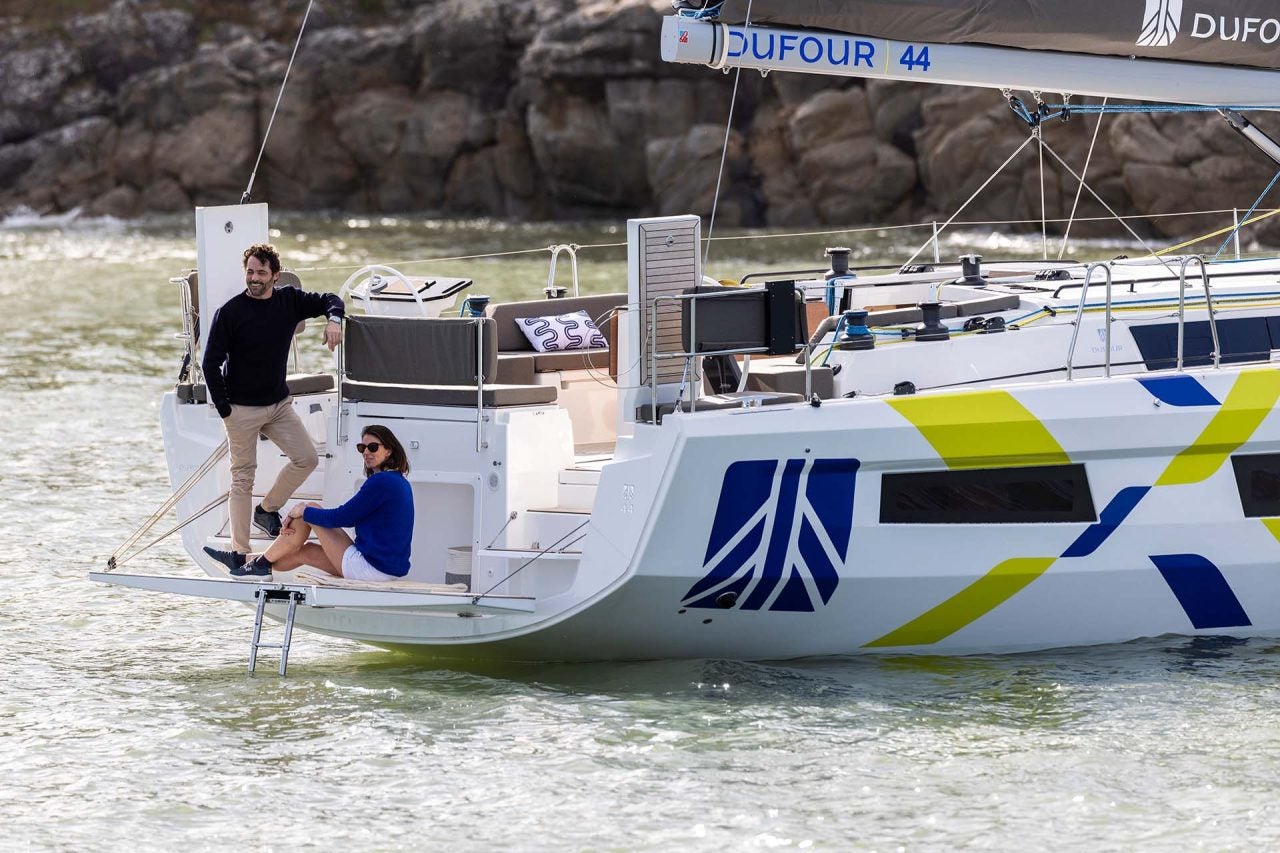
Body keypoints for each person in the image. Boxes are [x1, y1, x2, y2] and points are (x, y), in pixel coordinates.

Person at [201, 243, 344, 573]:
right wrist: (226, 409)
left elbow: (330, 300)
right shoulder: (231, 312)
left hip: (278, 405)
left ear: (275, 277)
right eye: (250, 272)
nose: (254, 278)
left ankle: (267, 510)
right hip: (241, 410)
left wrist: (333, 319)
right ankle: (239, 554)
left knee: (306, 458)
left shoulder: (289, 301)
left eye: (261, 273)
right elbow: (210, 363)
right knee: (242, 479)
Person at [228, 425, 415, 581]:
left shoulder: (382, 482)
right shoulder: (397, 481)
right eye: (362, 448)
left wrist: (301, 510)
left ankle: (255, 564)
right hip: (385, 570)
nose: (366, 452)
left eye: (373, 447)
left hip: (371, 569)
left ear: (389, 451)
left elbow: (343, 517)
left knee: (310, 510)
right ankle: (249, 562)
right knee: (305, 550)